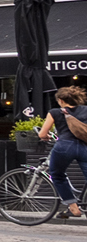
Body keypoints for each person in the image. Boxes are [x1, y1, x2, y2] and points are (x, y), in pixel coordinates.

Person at [38, 85, 87, 220]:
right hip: (85, 148)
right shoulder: (86, 110)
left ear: (60, 100)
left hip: (64, 147)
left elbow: (42, 133)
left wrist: (45, 137)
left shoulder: (55, 112)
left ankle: (73, 207)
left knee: (57, 175)